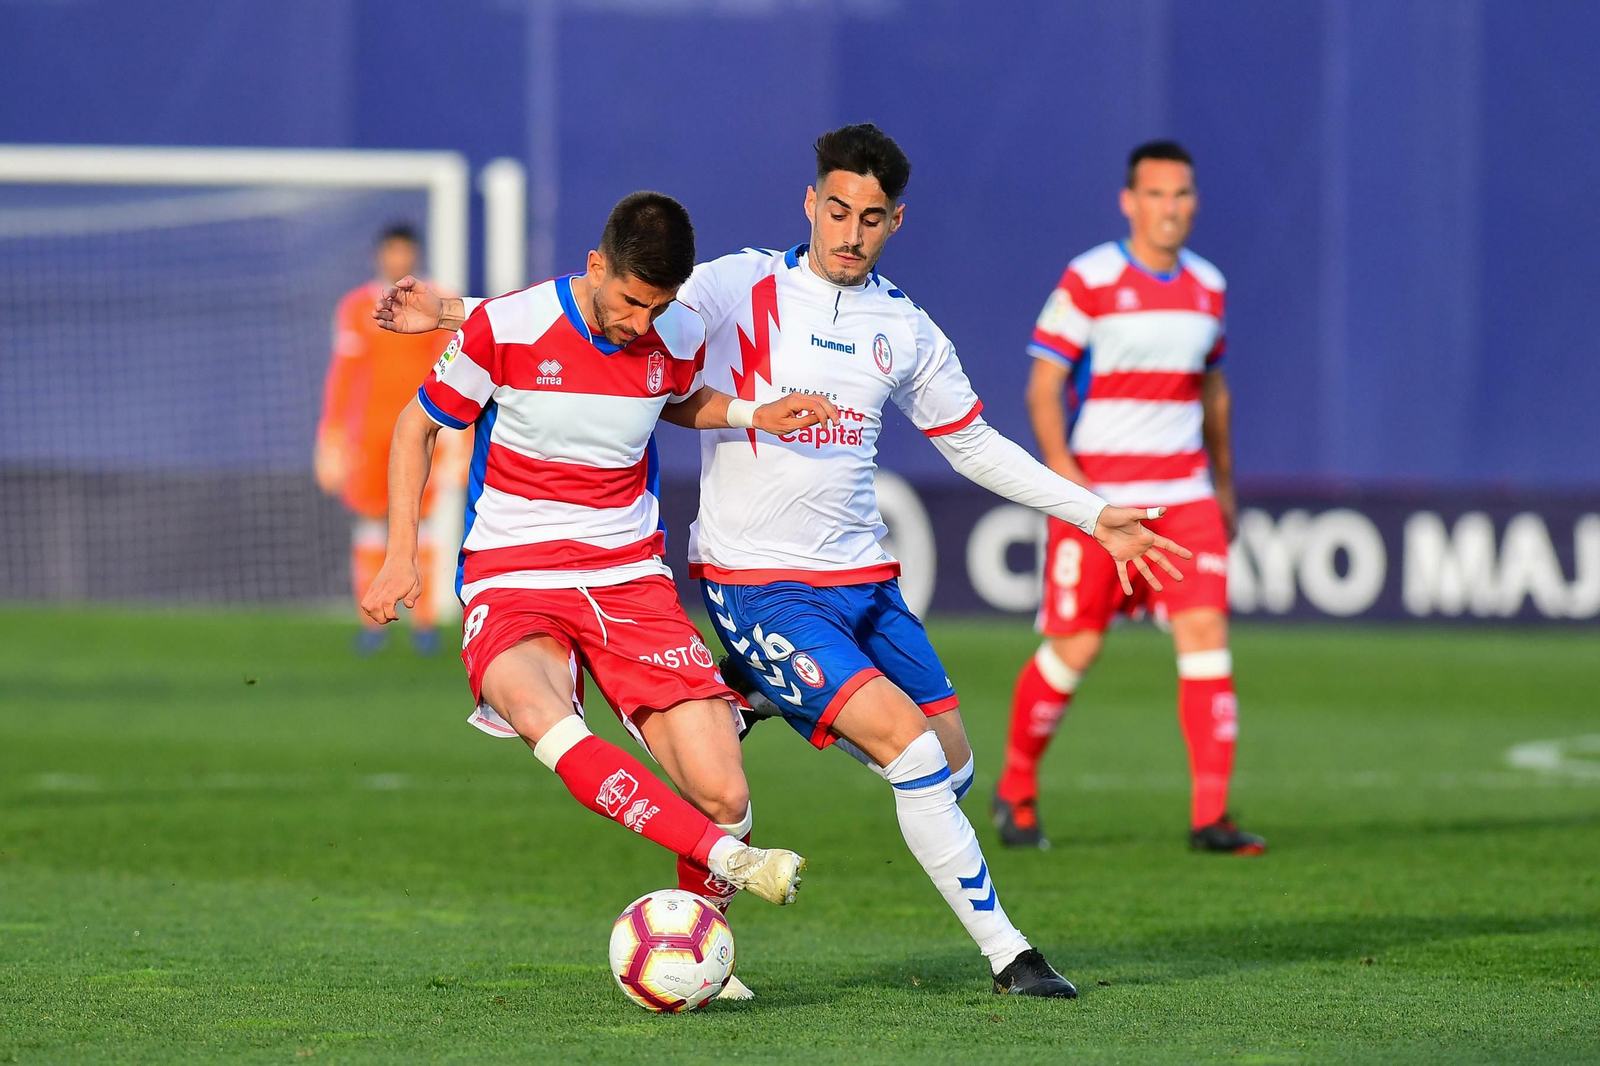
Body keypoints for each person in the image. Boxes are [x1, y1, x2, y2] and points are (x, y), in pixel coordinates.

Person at [376, 127, 1187, 999]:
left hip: (859, 582)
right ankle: (1011, 956)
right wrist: (459, 311)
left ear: (894, 222)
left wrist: (1094, 513)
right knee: (910, 757)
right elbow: (585, 308)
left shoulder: (904, 328)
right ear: (810, 203)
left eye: (870, 219)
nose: (850, 232)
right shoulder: (737, 283)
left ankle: (759, 692)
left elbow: (975, 446)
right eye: (836, 210)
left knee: (950, 770)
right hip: (752, 581)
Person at [361, 194, 837, 996]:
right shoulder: (505, 329)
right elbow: (416, 427)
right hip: (513, 573)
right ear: (594, 266)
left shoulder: (672, 329)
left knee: (724, 790)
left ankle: (697, 954)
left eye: (655, 307)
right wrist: (398, 556)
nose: (638, 323)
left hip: (626, 573)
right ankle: (734, 864)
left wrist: (757, 413)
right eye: (627, 301)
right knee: (537, 710)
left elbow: (674, 394)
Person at [991, 141, 1265, 856]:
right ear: (1129, 201)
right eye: (1156, 194)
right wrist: (1064, 482)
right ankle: (1015, 790)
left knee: (1205, 640)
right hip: (1104, 502)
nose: (1169, 208)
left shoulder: (1209, 285)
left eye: (1181, 195)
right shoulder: (1092, 278)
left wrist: (1225, 485)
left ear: (1194, 202)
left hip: (1187, 496)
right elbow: (1043, 385)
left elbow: (1215, 392)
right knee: (1074, 649)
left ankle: (1213, 816)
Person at [315, 224, 460, 654]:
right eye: (391, 252)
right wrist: (332, 436)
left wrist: (458, 434)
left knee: (424, 521)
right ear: (380, 256)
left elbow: (453, 368)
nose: (398, 260)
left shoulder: (438, 303)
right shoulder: (357, 307)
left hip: (423, 430)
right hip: (371, 435)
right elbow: (342, 376)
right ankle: (372, 622)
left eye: (405, 252)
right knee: (371, 519)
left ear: (414, 255)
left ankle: (425, 622)